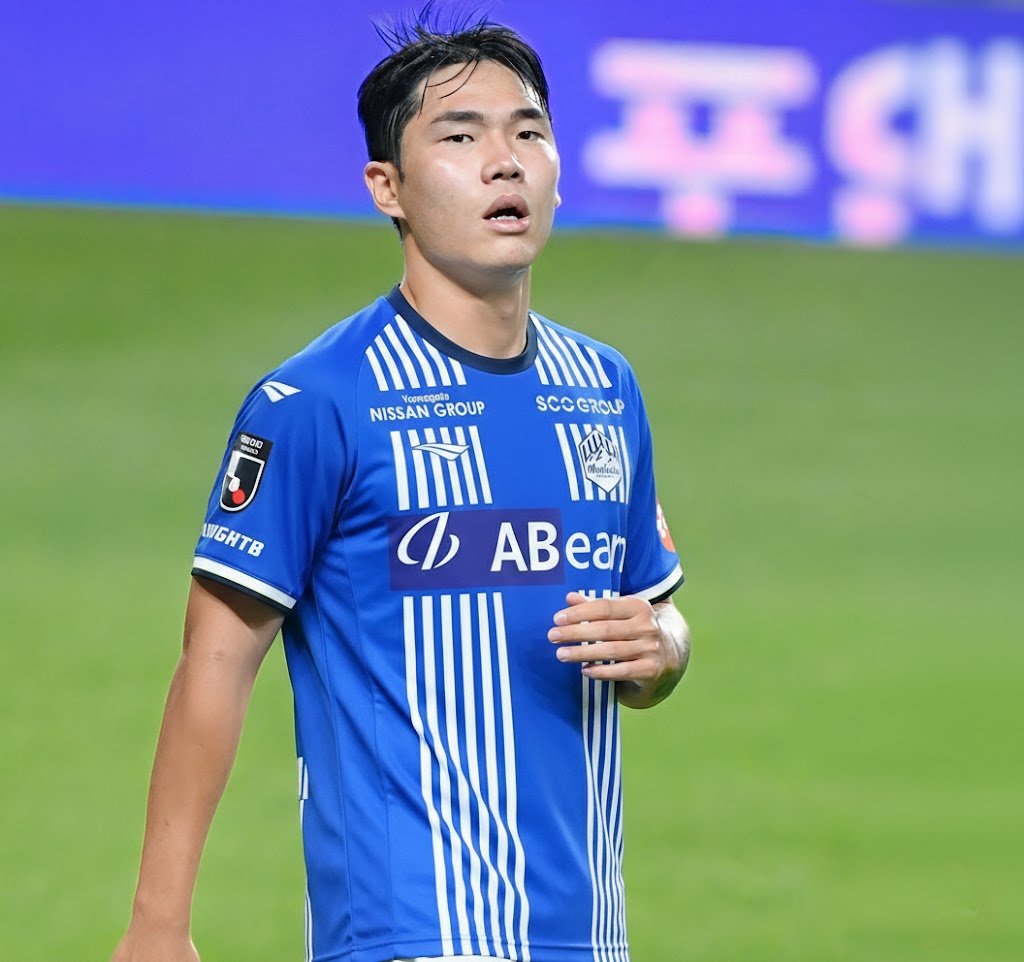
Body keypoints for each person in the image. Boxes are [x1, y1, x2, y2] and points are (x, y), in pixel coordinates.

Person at [113, 13, 691, 962]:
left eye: (529, 132)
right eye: (460, 138)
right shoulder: (319, 401)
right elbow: (214, 665)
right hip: (405, 933)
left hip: (588, 937)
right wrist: (158, 925)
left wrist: (661, 647)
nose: (505, 162)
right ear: (388, 187)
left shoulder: (604, 389)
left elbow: (655, 625)